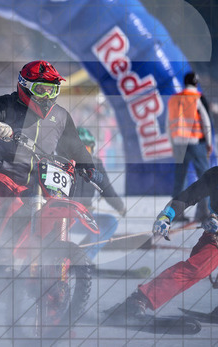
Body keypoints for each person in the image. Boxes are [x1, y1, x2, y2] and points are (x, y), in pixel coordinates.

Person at [0, 60, 102, 236]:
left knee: (53, 215)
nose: (47, 96)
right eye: (41, 90)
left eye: (52, 90)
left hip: (40, 184)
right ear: (25, 86)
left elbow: (76, 146)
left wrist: (89, 167)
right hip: (2, 176)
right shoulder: (7, 104)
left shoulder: (60, 116)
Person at [104, 165, 218, 323]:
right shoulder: (214, 176)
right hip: (215, 236)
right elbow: (186, 198)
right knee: (197, 268)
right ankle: (139, 300)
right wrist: (166, 217)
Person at [71, 127, 126, 261]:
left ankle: (83, 258)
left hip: (83, 215)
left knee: (110, 222)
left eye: (87, 149)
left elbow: (107, 189)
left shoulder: (95, 165)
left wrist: (119, 206)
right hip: (65, 215)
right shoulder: (64, 164)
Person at [167, 71, 213, 222]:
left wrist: (173, 145)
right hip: (196, 143)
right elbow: (206, 122)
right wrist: (209, 143)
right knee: (205, 178)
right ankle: (202, 212)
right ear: (196, 83)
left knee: (179, 180)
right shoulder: (198, 98)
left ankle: (174, 213)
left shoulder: (174, 99)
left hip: (179, 144)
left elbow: (168, 125)